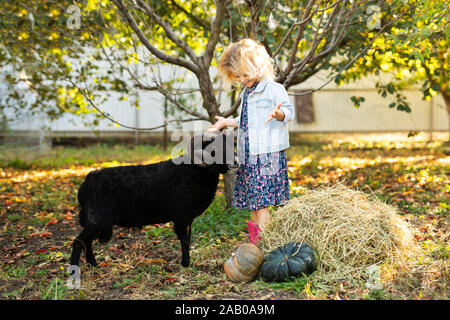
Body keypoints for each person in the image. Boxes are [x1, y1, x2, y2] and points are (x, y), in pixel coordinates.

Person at [208, 38, 295, 244]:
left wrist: (279, 114)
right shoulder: (247, 92)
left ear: (260, 67)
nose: (242, 79)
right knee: (255, 203)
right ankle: (257, 243)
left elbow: (289, 112)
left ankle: (265, 244)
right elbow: (246, 121)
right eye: (237, 76)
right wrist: (226, 123)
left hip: (267, 154)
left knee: (262, 201)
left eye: (245, 74)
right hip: (249, 153)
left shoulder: (273, 89)